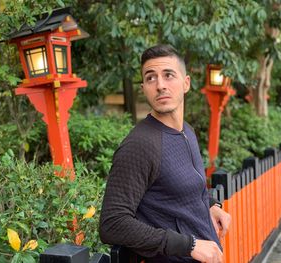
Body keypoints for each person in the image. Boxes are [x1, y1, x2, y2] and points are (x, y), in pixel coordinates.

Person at [99, 44, 231, 263]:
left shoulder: (186, 131)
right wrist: (189, 245)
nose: (160, 85)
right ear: (144, 88)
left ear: (186, 83)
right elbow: (112, 223)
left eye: (168, 75)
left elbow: (181, 185)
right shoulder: (140, 145)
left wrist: (211, 204)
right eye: (151, 78)